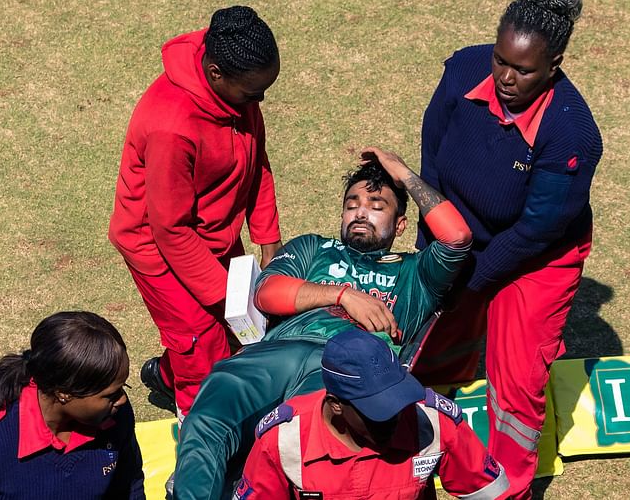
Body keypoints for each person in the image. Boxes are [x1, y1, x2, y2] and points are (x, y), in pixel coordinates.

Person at [171, 148, 473, 500]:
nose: (361, 212)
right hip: (277, 352)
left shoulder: (416, 273)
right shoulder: (314, 248)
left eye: (377, 205)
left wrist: (401, 172)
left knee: (310, 436)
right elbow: (266, 293)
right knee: (209, 413)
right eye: (352, 204)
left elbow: (457, 238)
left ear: (401, 224)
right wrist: (343, 295)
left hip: (347, 370)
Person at [414, 0, 603, 498]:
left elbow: (538, 229)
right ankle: (420, 426)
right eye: (501, 60)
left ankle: (503, 487)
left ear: (553, 68)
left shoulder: (572, 134)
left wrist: (475, 278)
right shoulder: (462, 69)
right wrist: (440, 243)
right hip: (462, 231)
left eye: (524, 70)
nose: (505, 77)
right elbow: (433, 152)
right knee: (428, 335)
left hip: (538, 256)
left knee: (517, 382)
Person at [108, 5, 283, 421]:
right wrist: (231, 299)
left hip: (212, 232)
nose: (257, 102)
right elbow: (170, 230)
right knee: (202, 349)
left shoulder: (235, 91)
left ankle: (166, 375)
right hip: (160, 247)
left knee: (238, 336)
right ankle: (200, 433)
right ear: (216, 72)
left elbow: (256, 159)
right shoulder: (172, 125)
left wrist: (268, 242)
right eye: (252, 93)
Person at [236, 329, 509, 499]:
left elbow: (489, 491)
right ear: (336, 404)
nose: (396, 417)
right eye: (378, 411)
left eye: (399, 400)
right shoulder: (283, 441)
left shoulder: (432, 420)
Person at [0, 312, 144, 500]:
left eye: (123, 388)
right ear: (64, 393)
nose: (122, 400)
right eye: (110, 395)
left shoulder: (113, 415)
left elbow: (128, 485)